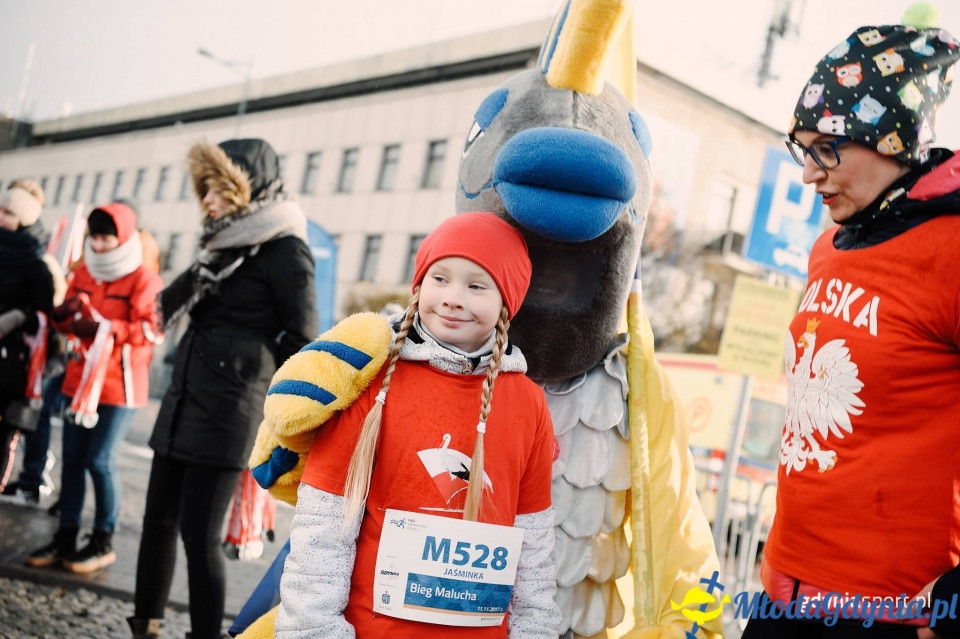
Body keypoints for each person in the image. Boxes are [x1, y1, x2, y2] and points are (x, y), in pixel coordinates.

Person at [741, 9, 960, 639]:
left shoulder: (951, 249)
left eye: (827, 149)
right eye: (801, 151)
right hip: (783, 597)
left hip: (898, 613)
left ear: (892, 140)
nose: (809, 172)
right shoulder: (827, 247)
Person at [274, 212, 560, 638]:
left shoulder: (529, 404)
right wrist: (313, 629)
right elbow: (325, 526)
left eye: (476, 286)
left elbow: (533, 543)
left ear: (508, 302)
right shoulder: (372, 382)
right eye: (439, 279)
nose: (452, 298)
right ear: (419, 284)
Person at [129, 138, 318, 639]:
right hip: (183, 401)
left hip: (229, 411)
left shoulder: (286, 250)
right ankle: (143, 625)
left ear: (246, 188)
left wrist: (250, 366)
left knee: (198, 536)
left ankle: (206, 634)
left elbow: (302, 342)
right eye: (203, 191)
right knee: (156, 525)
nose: (207, 202)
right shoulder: (218, 247)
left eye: (216, 190)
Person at [23, 201, 163, 573]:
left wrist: (108, 329)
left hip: (120, 387)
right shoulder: (84, 270)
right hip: (79, 381)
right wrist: (65, 316)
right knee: (71, 461)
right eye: (94, 238)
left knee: (99, 461)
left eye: (106, 238)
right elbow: (70, 323)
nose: (99, 246)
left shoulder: (143, 279)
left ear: (123, 238)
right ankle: (65, 536)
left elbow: (152, 331)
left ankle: (103, 540)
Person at [1, 179, 69, 507]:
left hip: (16, 362)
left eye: (8, 212)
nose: (1, 216)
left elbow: (47, 315)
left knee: (10, 433)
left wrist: (16, 318)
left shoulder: (38, 262)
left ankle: (29, 478)